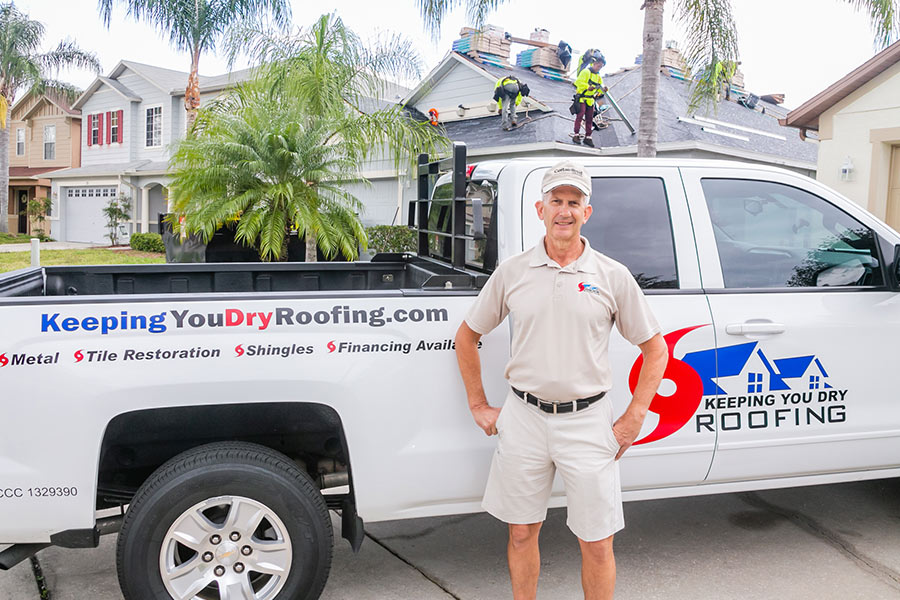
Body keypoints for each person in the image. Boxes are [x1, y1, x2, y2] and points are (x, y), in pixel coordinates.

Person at [454, 160, 668, 600]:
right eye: (556, 201)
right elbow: (467, 335)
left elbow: (655, 349)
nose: (565, 211)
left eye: (574, 202)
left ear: (587, 212)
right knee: (520, 534)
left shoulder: (611, 276)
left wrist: (633, 417)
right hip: (524, 419)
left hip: (588, 423)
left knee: (596, 543)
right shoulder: (513, 272)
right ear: (541, 209)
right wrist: (478, 404)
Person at [573, 57, 607, 146]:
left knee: (589, 118)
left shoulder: (598, 77)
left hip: (590, 100)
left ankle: (588, 137)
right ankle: (576, 134)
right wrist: (587, 86)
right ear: (594, 64)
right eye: (598, 66)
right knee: (580, 116)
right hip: (582, 98)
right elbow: (578, 82)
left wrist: (605, 89)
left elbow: (600, 89)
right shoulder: (586, 72)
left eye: (601, 67)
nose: (599, 68)